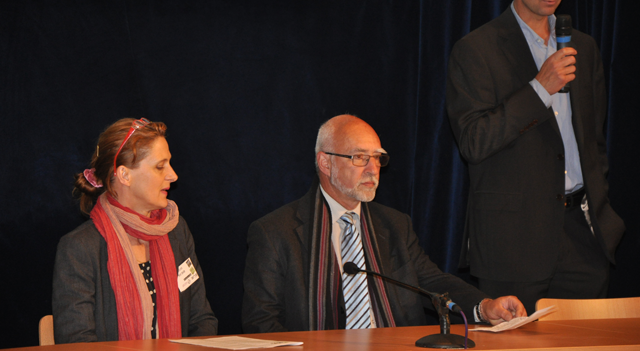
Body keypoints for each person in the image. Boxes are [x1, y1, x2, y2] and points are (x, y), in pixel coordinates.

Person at [446, 0, 625, 315]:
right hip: (514, 244)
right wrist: (540, 88)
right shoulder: (476, 50)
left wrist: (598, 209)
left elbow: (593, 142)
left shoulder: (583, 47)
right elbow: (474, 141)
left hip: (583, 238)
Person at [242, 114, 525, 333]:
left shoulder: (394, 225)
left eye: (377, 158)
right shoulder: (275, 232)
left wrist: (485, 306)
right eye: (359, 157)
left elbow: (432, 282)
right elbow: (261, 322)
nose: (372, 169)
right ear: (326, 163)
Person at [53, 118, 218, 343]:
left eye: (169, 164)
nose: (173, 175)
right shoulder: (79, 248)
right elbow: (77, 342)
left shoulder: (176, 231)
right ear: (124, 175)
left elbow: (202, 319)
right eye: (160, 166)